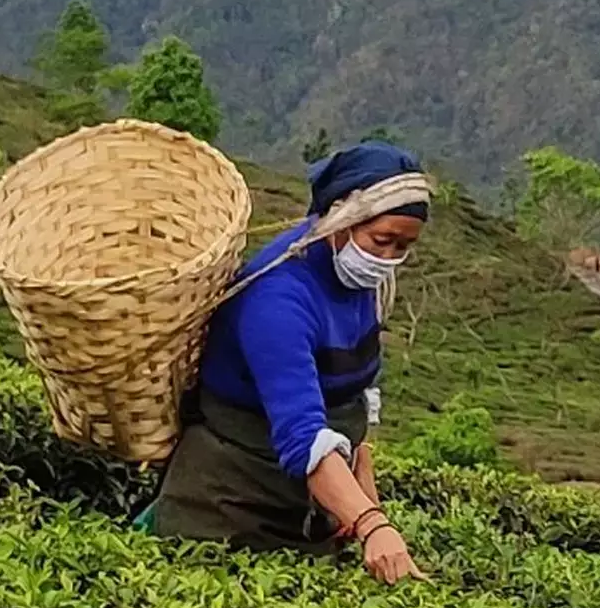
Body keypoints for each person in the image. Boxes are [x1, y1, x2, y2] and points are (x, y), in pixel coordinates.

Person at [146, 140, 431, 580]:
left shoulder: (360, 283)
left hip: (310, 511)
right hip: (227, 513)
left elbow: (354, 401)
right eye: (382, 241)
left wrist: (362, 507)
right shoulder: (277, 299)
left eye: (403, 247)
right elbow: (303, 436)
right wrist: (372, 525)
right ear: (340, 217)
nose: (388, 259)